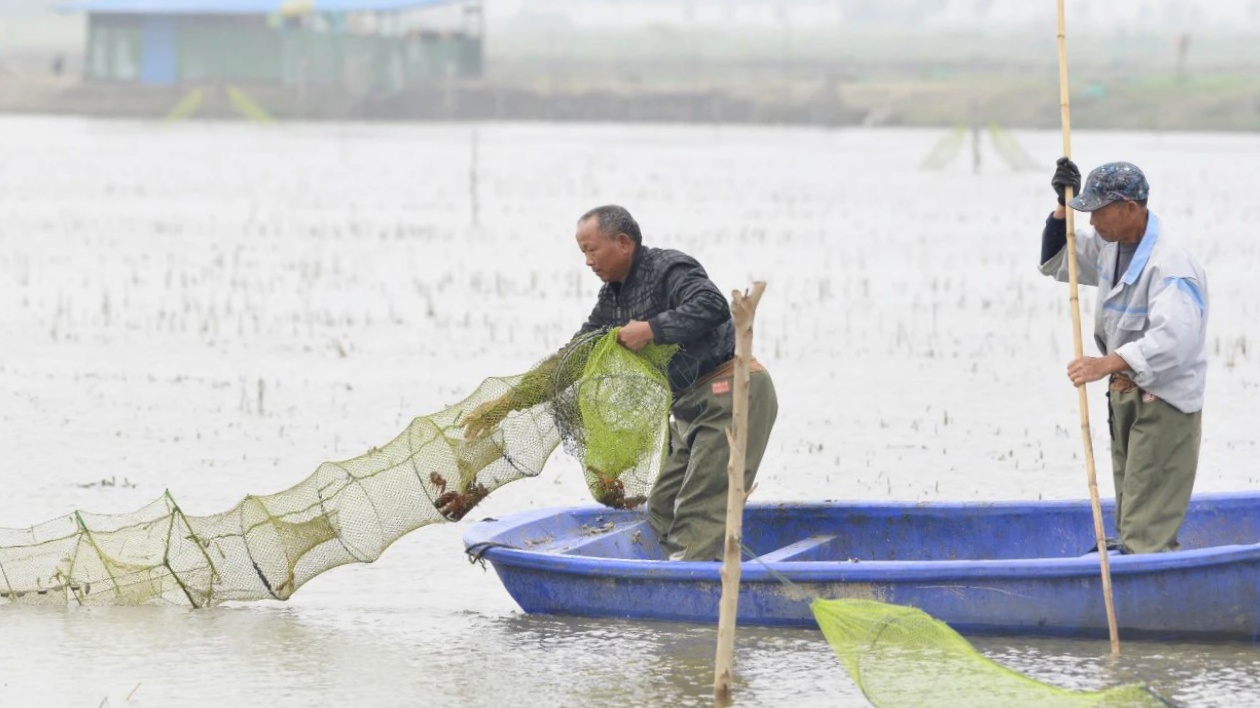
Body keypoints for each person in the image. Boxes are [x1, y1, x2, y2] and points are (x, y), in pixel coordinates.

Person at [466, 205, 778, 561]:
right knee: (663, 505)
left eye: (591, 249)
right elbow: (571, 360)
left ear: (624, 243)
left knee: (699, 507)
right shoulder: (612, 300)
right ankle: (663, 587)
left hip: (732, 395)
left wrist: (651, 329)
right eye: (582, 252)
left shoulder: (669, 268)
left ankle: (691, 587)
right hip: (690, 408)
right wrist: (505, 405)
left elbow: (712, 305)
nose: (587, 261)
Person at [1040, 158, 1209, 554]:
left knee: (1146, 520)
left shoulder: (1171, 265)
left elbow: (1175, 341)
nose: (1092, 222)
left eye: (1098, 211)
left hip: (1163, 399)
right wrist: (1061, 205)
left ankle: (1144, 568)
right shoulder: (1109, 245)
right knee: (1131, 502)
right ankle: (1133, 553)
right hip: (1124, 393)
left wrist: (1104, 364)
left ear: (1129, 209)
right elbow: (1055, 261)